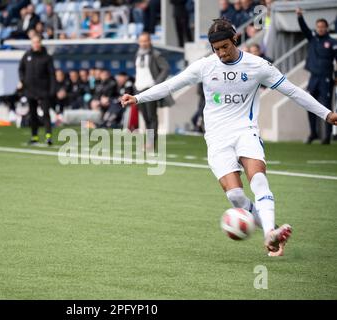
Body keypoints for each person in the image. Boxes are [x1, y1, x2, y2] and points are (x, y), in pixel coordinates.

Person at [121, 18, 337, 257]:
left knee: (259, 180)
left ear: (235, 39)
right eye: (216, 49)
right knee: (235, 195)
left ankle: (269, 235)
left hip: (246, 131)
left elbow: (294, 91)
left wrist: (326, 114)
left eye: (225, 46)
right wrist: (138, 98)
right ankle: (272, 229)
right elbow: (171, 85)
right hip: (216, 138)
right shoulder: (205, 66)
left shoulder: (258, 66)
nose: (221, 53)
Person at [296, 8, 337, 145]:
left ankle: (327, 136)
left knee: (326, 107)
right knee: (310, 104)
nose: (320, 29)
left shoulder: (332, 42)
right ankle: (313, 133)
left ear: (327, 28)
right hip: (313, 78)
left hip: (326, 78)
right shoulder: (312, 39)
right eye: (318, 27)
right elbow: (304, 29)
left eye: (322, 27)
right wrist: (300, 17)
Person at [134, 32, 173, 151]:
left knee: (152, 117)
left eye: (145, 41)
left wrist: (157, 84)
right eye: (141, 41)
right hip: (138, 89)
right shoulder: (137, 54)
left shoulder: (155, 54)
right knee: (145, 118)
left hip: (149, 88)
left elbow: (166, 68)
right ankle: (148, 142)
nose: (143, 43)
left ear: (149, 41)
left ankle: (151, 143)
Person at [18, 35, 56, 146]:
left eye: (38, 42)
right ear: (31, 43)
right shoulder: (27, 56)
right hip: (30, 90)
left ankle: (48, 137)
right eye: (34, 42)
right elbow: (21, 69)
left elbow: (52, 75)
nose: (36, 44)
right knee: (32, 115)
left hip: (43, 90)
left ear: (41, 43)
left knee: (46, 114)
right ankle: (34, 136)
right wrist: (22, 80)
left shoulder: (47, 57)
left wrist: (52, 90)